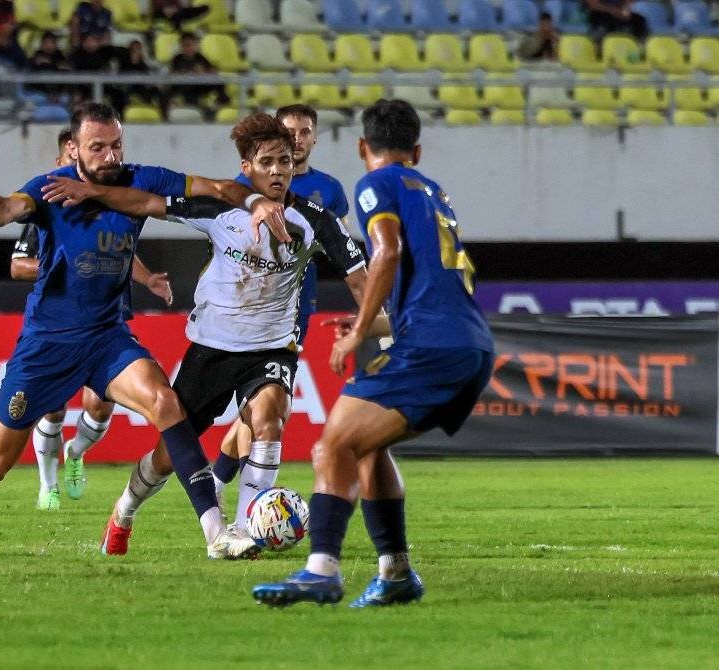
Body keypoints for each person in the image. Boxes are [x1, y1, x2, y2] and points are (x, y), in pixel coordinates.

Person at [0, 101, 290, 560]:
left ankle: (216, 533)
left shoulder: (140, 178)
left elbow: (217, 187)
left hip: (107, 338)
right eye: (98, 148)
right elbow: (7, 209)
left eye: (116, 145)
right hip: (47, 345)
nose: (110, 156)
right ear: (74, 151)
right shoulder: (49, 189)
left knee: (166, 403)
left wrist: (256, 200)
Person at [43, 113, 367, 557]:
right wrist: (93, 191)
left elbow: (360, 280)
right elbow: (146, 203)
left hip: (272, 345)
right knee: (165, 457)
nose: (278, 171)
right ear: (247, 166)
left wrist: (369, 326)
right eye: (268, 161)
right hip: (212, 347)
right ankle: (124, 511)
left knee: (269, 420)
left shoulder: (316, 219)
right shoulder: (222, 209)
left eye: (286, 161)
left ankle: (246, 528)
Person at [252, 99, 494, 608]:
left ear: (363, 147)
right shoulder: (433, 192)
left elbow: (386, 252)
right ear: (417, 150)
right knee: (367, 447)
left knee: (332, 446)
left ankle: (321, 569)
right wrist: (381, 322)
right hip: (470, 343)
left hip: (429, 346)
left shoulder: (375, 184)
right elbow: (431, 286)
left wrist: (359, 329)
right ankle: (396, 572)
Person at [11, 128, 173, 510]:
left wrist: (148, 278)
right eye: (73, 156)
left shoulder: (111, 202)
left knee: (100, 408)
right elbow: (18, 267)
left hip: (106, 322)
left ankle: (77, 452)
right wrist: (57, 267)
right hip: (60, 326)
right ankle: (47, 485)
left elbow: (118, 252)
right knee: (51, 407)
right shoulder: (43, 209)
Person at [213, 104, 351, 528]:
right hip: (242, 311)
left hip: (295, 311)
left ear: (313, 138)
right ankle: (220, 485)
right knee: (258, 413)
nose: (297, 138)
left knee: (259, 412)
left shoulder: (327, 189)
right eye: (290, 130)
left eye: (305, 131)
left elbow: (338, 242)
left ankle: (225, 492)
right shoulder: (249, 183)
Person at [168, 32, 229, 111]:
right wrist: (189, 72)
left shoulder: (200, 57)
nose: (188, 48)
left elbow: (212, 70)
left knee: (219, 82)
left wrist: (204, 71)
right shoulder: (177, 59)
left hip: (199, 85)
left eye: (191, 45)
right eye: (185, 45)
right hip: (184, 86)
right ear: (181, 46)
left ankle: (218, 106)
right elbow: (172, 74)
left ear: (195, 45)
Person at [584, 0, 648, 41]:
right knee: (604, 17)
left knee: (639, 19)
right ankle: (599, 44)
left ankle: (641, 45)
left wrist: (625, 12)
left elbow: (627, 3)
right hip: (600, 13)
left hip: (617, 13)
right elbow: (593, 5)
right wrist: (614, 11)